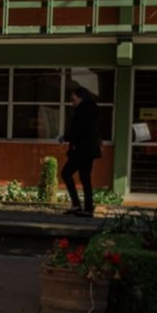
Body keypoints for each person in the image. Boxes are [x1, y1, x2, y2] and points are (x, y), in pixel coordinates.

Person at [59, 84, 102, 216]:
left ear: (81, 98)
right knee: (85, 178)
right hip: (89, 150)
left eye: (74, 99)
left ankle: (77, 205)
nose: (72, 102)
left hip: (81, 150)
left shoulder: (82, 111)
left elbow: (79, 131)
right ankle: (87, 208)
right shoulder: (92, 110)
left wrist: (66, 137)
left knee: (66, 173)